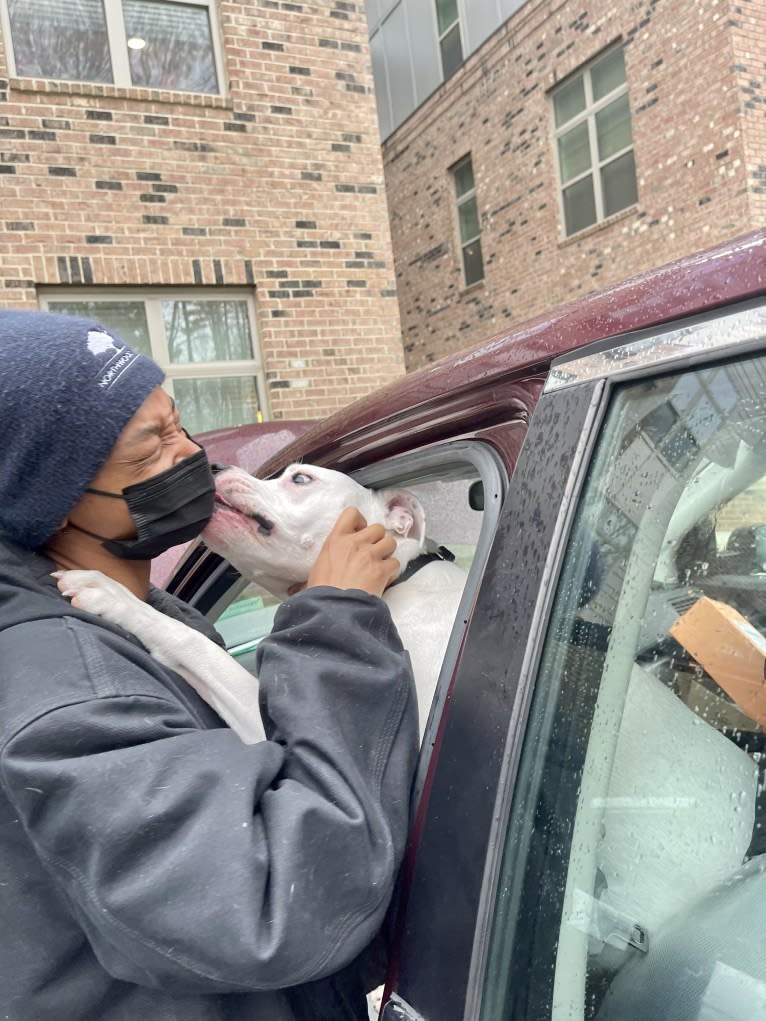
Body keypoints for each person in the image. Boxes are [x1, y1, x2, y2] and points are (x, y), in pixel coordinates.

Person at [0, 310, 419, 1020]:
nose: (190, 456)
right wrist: (338, 618)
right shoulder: (66, 696)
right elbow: (276, 904)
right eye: (148, 452)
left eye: (179, 425)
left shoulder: (146, 618)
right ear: (55, 499)